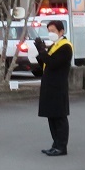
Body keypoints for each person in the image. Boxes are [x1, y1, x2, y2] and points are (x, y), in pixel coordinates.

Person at [34, 20, 73, 156]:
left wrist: (42, 50)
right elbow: (45, 64)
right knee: (51, 116)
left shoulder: (65, 47)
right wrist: (40, 52)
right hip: (49, 86)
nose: (51, 34)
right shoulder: (54, 46)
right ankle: (55, 144)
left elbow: (53, 63)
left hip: (58, 86)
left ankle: (61, 146)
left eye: (53, 31)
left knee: (59, 117)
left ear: (61, 32)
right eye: (49, 31)